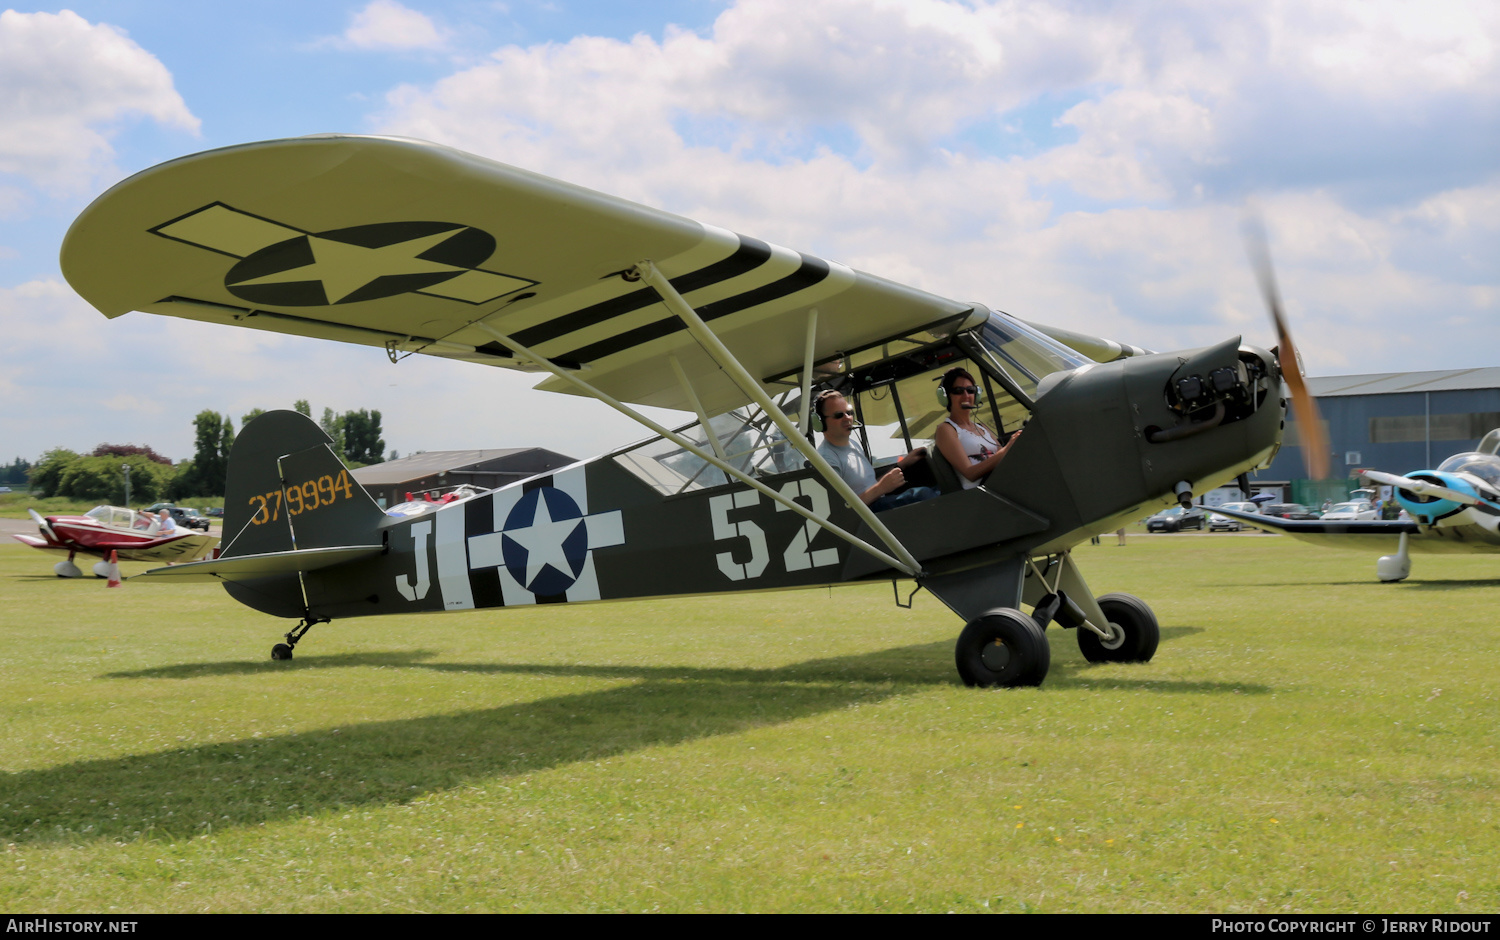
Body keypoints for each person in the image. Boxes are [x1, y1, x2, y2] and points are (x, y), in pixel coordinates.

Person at [813, 389, 937, 512]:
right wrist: (881, 488)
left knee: (936, 488)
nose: (847, 418)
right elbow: (840, 510)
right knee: (924, 494)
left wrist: (902, 464)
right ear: (820, 422)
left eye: (849, 412)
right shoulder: (827, 458)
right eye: (838, 415)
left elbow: (868, 487)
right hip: (866, 517)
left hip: (878, 502)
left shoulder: (853, 444)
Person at [933, 367, 1022, 489]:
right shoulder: (946, 429)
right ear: (946, 396)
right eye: (958, 391)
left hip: (1002, 480)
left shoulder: (982, 427)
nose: (966, 395)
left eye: (970, 390)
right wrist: (1007, 449)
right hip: (982, 490)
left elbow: (1004, 458)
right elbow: (970, 473)